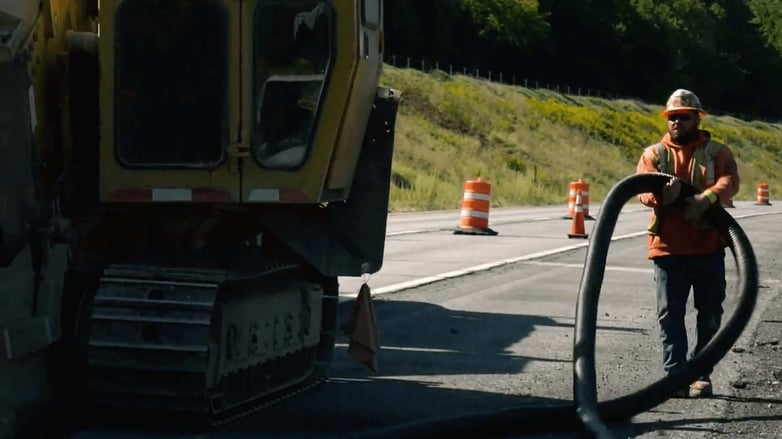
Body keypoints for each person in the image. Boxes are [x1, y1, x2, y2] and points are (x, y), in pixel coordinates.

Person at [636, 89, 740, 398]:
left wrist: (707, 197)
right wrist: (660, 197)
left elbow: (730, 181)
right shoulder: (655, 154)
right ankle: (675, 376)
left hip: (708, 247)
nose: (677, 122)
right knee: (670, 315)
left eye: (683, 117)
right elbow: (642, 188)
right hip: (668, 249)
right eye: (672, 117)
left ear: (697, 118)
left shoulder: (716, 152)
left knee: (710, 314)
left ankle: (700, 372)